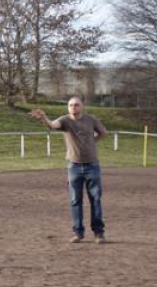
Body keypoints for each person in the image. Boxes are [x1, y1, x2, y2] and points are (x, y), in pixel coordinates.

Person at [30, 96, 109, 244]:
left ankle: (99, 233)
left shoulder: (91, 120)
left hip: (92, 165)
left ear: (82, 106)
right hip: (74, 166)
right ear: (68, 107)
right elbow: (52, 125)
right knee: (75, 201)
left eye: (76, 105)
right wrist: (44, 118)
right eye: (71, 105)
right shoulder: (65, 120)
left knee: (95, 199)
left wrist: (92, 141)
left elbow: (103, 133)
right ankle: (78, 233)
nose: (74, 107)